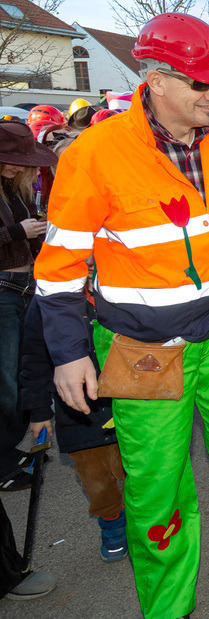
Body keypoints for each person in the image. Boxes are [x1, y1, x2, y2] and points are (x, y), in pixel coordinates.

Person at [33, 13, 209, 618]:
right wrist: (68, 353)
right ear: (156, 79)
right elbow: (57, 268)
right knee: (157, 484)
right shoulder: (94, 154)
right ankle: (168, 605)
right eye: (203, 85)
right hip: (143, 349)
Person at [20, 272, 126, 562]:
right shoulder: (46, 302)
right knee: (95, 478)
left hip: (123, 401)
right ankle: (111, 519)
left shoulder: (116, 284)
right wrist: (39, 411)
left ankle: (140, 517)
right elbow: (33, 357)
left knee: (132, 469)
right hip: (77, 412)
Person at [0, 122, 52, 493]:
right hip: (3, 291)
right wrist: (19, 232)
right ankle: (2, 460)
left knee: (22, 372)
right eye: (11, 160)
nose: (19, 167)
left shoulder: (12, 190)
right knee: (7, 382)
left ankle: (10, 448)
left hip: (24, 287)